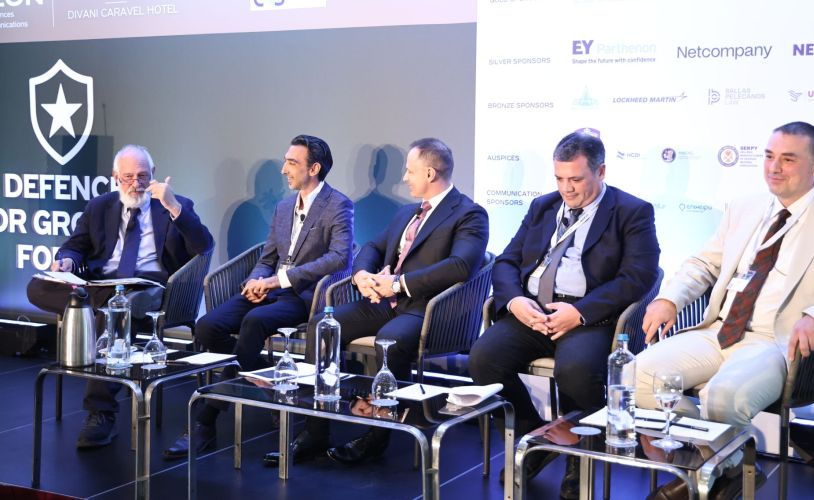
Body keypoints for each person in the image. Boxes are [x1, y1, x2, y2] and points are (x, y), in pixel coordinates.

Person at [637, 121, 814, 499]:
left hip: (777, 342)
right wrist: (670, 298)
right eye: (769, 156)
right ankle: (726, 467)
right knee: (637, 375)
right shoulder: (743, 208)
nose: (774, 168)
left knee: (722, 397)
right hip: (719, 331)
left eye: (788, 159)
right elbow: (704, 264)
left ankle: (709, 475)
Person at [262, 137, 489, 467]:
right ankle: (316, 430)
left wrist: (397, 283)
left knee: (389, 341)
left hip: (428, 309)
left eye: (409, 171)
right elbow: (371, 247)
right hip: (386, 303)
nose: (404, 178)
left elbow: (460, 266)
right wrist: (363, 276)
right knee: (323, 325)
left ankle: (377, 435)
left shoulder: (469, 214)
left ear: (430, 173)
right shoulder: (407, 212)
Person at [468, 128, 660, 500]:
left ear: (600, 172)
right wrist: (515, 301)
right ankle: (536, 435)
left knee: (575, 371)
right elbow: (506, 261)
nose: (566, 189)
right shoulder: (543, 206)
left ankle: (578, 458)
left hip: (591, 318)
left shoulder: (632, 211)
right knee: (482, 360)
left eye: (576, 179)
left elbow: (639, 276)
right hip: (533, 311)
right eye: (559, 178)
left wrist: (581, 312)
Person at [163, 134, 353, 459]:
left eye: (292, 162)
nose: (284, 169)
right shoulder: (284, 207)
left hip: (304, 296)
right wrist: (255, 280)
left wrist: (279, 280)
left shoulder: (338, 204)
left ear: (314, 168)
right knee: (208, 326)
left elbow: (339, 258)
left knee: (253, 323)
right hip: (269, 289)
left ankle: (206, 419)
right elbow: (267, 257)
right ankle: (264, 370)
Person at [26, 144, 214, 449]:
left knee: (118, 309)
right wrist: (67, 260)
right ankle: (94, 307)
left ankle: (101, 413)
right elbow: (75, 245)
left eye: (143, 176)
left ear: (153, 174)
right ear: (115, 177)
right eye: (128, 177)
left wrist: (173, 207)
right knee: (38, 287)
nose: (135, 184)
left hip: (149, 287)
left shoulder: (174, 205)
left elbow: (203, 246)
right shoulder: (99, 206)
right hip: (102, 285)